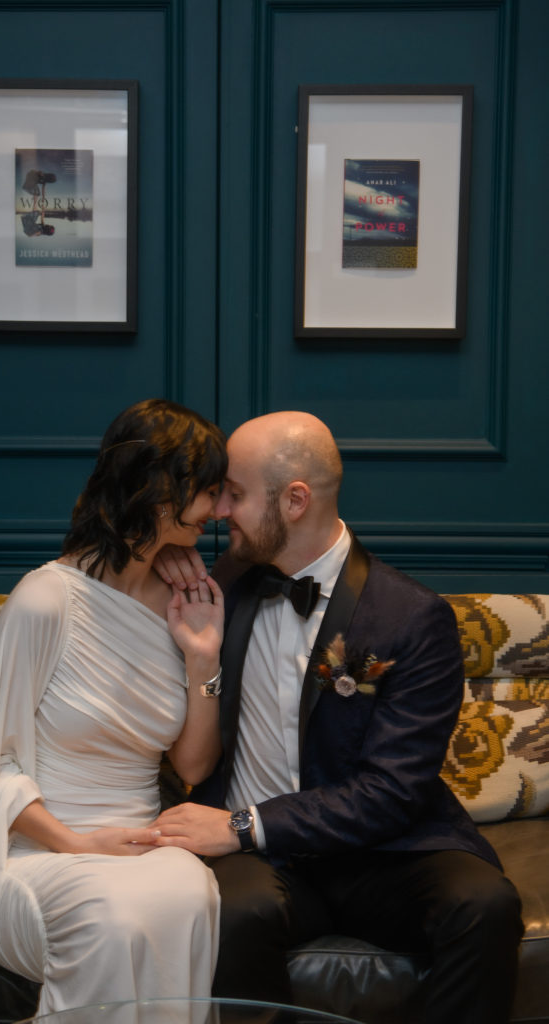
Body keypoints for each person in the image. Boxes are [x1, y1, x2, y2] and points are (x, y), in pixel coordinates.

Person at [152, 410, 524, 1024]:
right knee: (236, 912)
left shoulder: (410, 618)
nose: (219, 511)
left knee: (485, 906)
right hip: (261, 868)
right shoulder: (221, 585)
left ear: (294, 500)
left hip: (381, 852)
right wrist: (159, 560)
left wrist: (243, 825)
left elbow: (392, 791)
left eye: (236, 495)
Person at [0, 399, 228, 1024]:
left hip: (138, 843)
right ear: (160, 495)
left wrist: (204, 659)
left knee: (190, 890)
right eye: (209, 492)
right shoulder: (45, 601)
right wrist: (76, 843)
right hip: (37, 854)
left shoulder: (182, 603)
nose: (221, 510)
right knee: (110, 915)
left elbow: (194, 766)